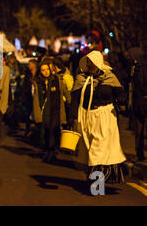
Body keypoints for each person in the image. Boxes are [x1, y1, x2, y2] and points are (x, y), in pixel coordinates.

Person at [69, 50, 127, 184]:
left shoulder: (109, 77)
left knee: (98, 149)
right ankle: (94, 181)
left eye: (92, 62)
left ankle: (97, 185)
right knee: (90, 149)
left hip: (105, 116)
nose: (90, 65)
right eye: (88, 62)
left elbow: (120, 93)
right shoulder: (81, 79)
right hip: (87, 116)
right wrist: (72, 118)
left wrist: (121, 100)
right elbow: (75, 99)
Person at [32, 61, 70, 163]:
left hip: (56, 110)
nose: (46, 72)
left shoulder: (57, 79)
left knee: (54, 130)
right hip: (45, 111)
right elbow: (36, 98)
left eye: (47, 69)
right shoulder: (38, 82)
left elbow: (65, 91)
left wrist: (70, 102)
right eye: (43, 70)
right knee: (47, 131)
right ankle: (50, 151)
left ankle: (51, 152)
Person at [124, 47, 147, 161]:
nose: (128, 56)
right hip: (137, 103)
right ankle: (139, 154)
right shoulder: (133, 68)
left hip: (142, 102)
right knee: (138, 131)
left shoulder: (142, 69)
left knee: (141, 130)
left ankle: (140, 154)